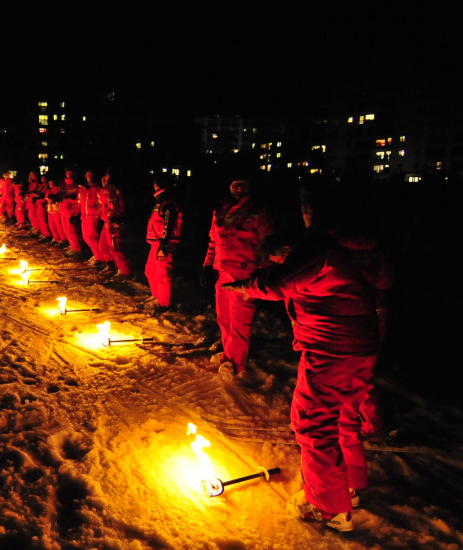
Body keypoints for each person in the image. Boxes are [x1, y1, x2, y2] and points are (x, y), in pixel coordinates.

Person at [221, 185, 393, 532]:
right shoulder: (365, 245)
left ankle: (329, 508)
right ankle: (352, 486)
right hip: (363, 344)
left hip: (329, 346)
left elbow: (282, 283)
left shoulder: (322, 245)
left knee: (313, 423)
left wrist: (243, 286)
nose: (304, 214)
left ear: (312, 211)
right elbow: (380, 288)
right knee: (346, 415)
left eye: (306, 207)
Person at [201, 177, 273, 377]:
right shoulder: (220, 209)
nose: (239, 187)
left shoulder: (258, 211)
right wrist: (207, 265)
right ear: (229, 185)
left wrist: (262, 271)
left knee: (239, 322)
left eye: (244, 182)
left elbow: (266, 243)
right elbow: (213, 241)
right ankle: (227, 353)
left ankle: (234, 363)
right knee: (224, 318)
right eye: (235, 183)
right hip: (222, 272)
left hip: (244, 275)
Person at [144, 174, 182, 316]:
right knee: (150, 271)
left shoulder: (168, 203)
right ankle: (157, 297)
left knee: (163, 274)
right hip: (156, 244)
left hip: (163, 245)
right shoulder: (161, 202)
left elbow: (169, 224)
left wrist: (164, 245)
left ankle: (164, 304)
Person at [98, 171, 132, 279]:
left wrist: (110, 218)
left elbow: (112, 205)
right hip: (107, 221)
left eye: (107, 177)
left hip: (112, 222)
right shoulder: (105, 188)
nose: (105, 179)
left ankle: (124, 271)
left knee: (114, 247)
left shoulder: (110, 189)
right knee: (102, 245)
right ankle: (111, 266)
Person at [79, 169, 104, 267]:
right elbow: (79, 200)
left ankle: (99, 258)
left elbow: (101, 199)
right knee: (86, 237)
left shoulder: (97, 188)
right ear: (85, 176)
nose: (90, 176)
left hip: (92, 215)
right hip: (84, 215)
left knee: (92, 237)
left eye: (91, 174)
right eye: (88, 174)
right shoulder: (83, 188)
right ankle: (96, 254)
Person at [59, 168, 85, 258]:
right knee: (66, 230)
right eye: (68, 172)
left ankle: (77, 249)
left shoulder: (77, 185)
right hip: (63, 209)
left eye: (71, 172)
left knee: (72, 231)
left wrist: (70, 200)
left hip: (71, 211)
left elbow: (78, 199)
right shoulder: (62, 184)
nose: (69, 174)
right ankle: (72, 245)